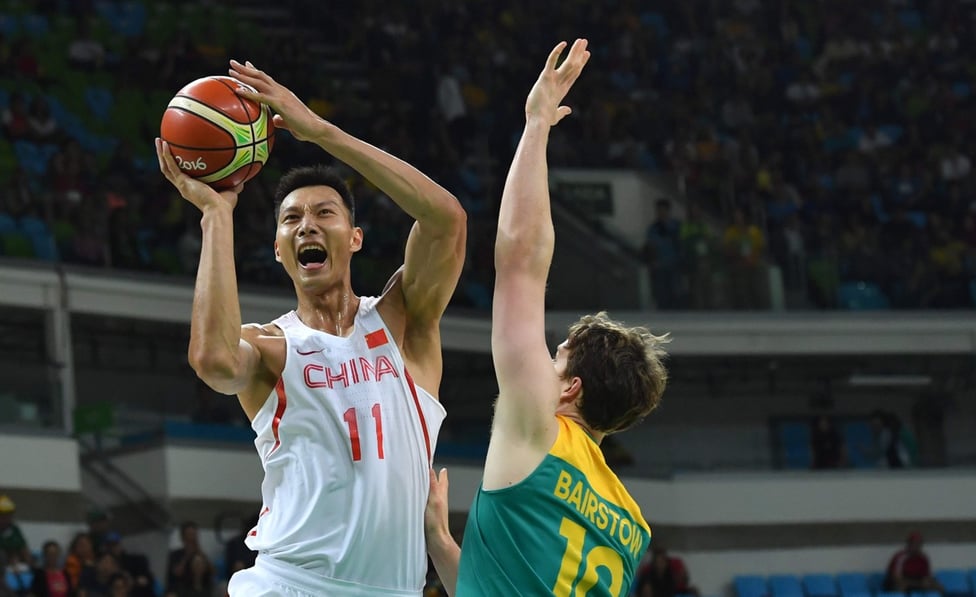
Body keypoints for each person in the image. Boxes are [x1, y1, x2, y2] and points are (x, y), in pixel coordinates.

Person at [155, 58, 466, 597]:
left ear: (355, 237)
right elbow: (214, 361)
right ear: (279, 250)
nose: (307, 225)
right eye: (291, 219)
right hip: (289, 584)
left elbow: (446, 220)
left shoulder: (404, 323)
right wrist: (216, 216)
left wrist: (319, 131)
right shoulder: (272, 347)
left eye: (325, 213)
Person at [424, 39, 669, 596]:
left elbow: (520, 263)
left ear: (570, 389)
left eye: (555, 358)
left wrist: (536, 124)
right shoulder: (630, 525)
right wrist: (441, 543)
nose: (542, 361)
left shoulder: (541, 429)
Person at [634, 547, 700, 597]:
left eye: (662, 562)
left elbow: (674, 590)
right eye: (658, 562)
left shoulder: (669, 575)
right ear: (654, 563)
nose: (660, 565)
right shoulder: (648, 576)